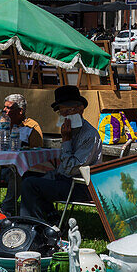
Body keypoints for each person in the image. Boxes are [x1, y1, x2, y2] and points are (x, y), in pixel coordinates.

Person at [20, 84, 102, 223]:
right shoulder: (70, 130)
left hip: (80, 185)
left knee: (31, 184)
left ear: (80, 109)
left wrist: (66, 140)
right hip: (64, 179)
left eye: (68, 111)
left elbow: (71, 169)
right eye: (61, 113)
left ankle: (33, 225)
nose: (64, 116)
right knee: (27, 175)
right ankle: (51, 216)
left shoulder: (89, 135)